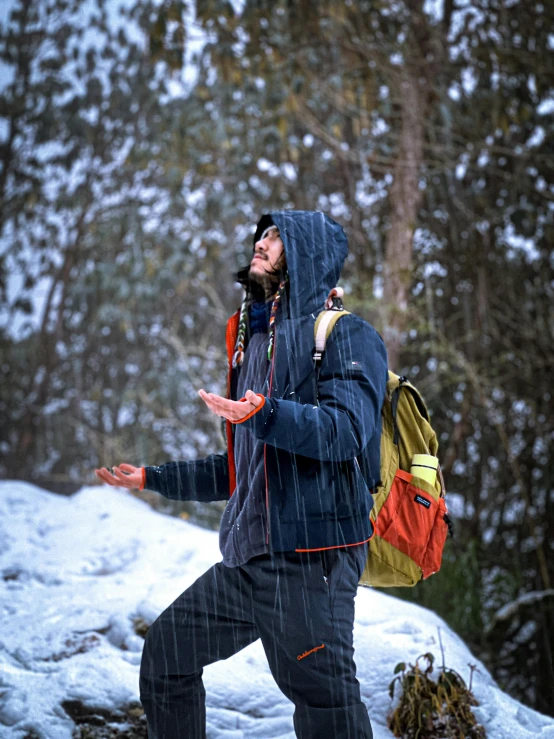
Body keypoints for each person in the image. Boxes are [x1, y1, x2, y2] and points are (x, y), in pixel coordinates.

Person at [95, 210, 388, 739]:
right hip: (251, 559)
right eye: (262, 234)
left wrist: (266, 415)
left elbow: (346, 431)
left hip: (310, 561)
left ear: (306, 256)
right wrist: (150, 478)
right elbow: (242, 472)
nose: (262, 242)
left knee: (327, 708)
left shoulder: (345, 336)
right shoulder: (254, 346)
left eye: (277, 236)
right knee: (167, 656)